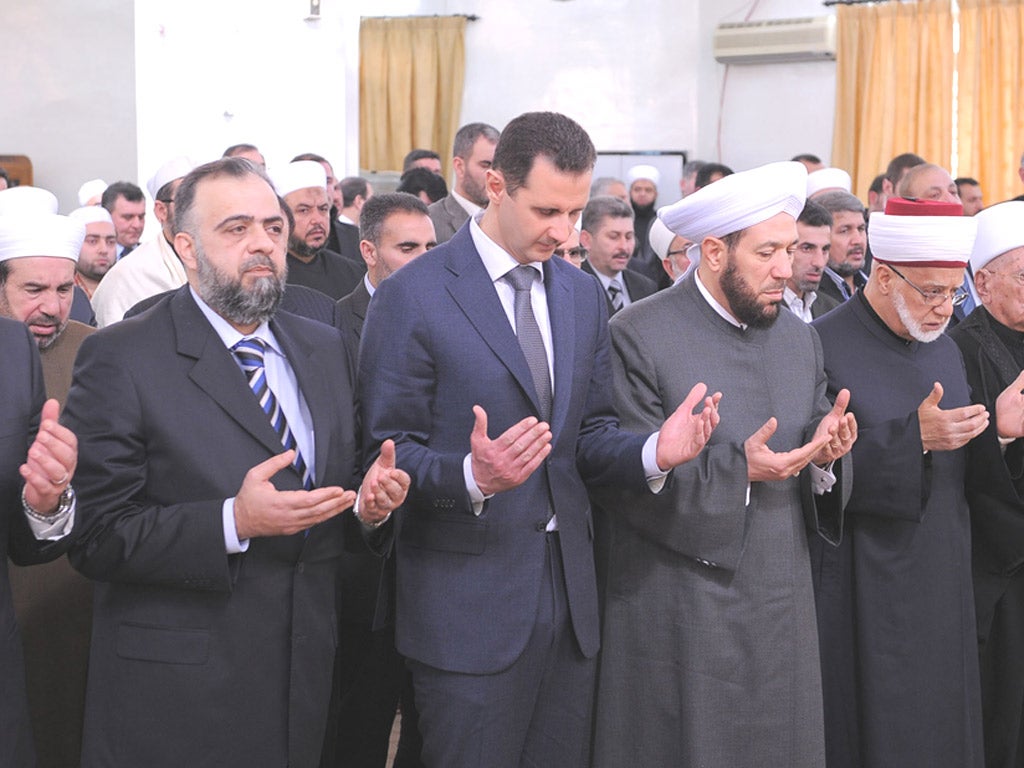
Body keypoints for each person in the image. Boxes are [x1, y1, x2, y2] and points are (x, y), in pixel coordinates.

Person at [358, 111, 719, 768]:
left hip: (568, 602)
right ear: (495, 184)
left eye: (575, 212)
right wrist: (472, 475)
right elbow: (387, 449)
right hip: (466, 610)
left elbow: (590, 435)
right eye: (547, 209)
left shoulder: (581, 295)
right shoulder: (413, 295)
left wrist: (654, 452)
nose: (563, 231)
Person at [63, 157, 409, 767]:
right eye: (237, 228)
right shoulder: (123, 356)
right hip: (181, 692)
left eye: (274, 228)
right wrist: (233, 521)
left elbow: (339, 487)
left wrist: (370, 506)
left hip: (304, 674)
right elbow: (95, 537)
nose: (262, 245)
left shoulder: (323, 346)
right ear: (186, 248)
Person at [593, 160, 855, 768]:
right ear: (714, 252)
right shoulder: (637, 332)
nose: (787, 271)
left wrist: (829, 449)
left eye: (790, 250)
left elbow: (814, 425)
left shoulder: (798, 336)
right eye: (768, 253)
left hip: (781, 593)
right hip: (680, 599)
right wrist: (741, 471)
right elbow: (620, 476)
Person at [811, 197, 986, 768]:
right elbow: (815, 475)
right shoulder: (820, 345)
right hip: (870, 581)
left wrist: (1002, 433)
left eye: (952, 293)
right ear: (883, 277)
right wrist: (912, 439)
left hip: (945, 572)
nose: (943, 309)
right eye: (930, 293)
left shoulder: (947, 348)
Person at [324, 191, 436, 768]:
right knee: (361, 713)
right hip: (363, 552)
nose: (424, 258)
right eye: (407, 247)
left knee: (427, 715)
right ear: (369, 251)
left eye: (431, 247)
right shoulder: (331, 326)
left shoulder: (449, 314)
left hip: (434, 539)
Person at [0, 216, 84, 768]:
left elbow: (28, 528)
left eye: (63, 289)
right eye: (33, 290)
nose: (51, 307)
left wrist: (47, 500)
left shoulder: (11, 354)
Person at [949, 201, 1024, 768]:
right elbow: (953, 467)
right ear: (983, 281)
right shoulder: (960, 349)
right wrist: (998, 436)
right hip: (999, 566)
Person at [90, 156, 195, 326]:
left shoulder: (221, 260)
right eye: (187, 200)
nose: (198, 209)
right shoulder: (128, 275)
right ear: (161, 211)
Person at [273, 160, 363, 300]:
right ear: (280, 216)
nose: (317, 220)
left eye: (323, 209)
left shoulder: (353, 274)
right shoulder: (267, 275)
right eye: (304, 210)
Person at [580, 195, 658, 315]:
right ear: (586, 240)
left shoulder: (646, 287)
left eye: (629, 236)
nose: (624, 247)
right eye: (613, 237)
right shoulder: (574, 287)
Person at [428, 122, 500, 244]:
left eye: (499, 166)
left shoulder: (510, 220)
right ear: (459, 166)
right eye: (485, 165)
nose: (495, 175)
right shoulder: (431, 222)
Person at [784, 200, 840, 321]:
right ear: (784, 249)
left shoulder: (832, 311)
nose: (819, 263)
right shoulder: (759, 312)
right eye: (807, 248)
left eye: (825, 249)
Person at [815, 190, 868, 302]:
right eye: (844, 231)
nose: (858, 240)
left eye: (861, 229)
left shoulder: (875, 287)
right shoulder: (811, 294)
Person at [68, 206, 117, 300]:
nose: (104, 250)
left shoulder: (128, 285)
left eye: (110, 242)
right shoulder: (63, 290)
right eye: (92, 241)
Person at [100, 180, 146, 258]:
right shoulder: (89, 262)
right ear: (107, 216)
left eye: (141, 217)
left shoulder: (156, 259)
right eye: (128, 217)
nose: (137, 225)